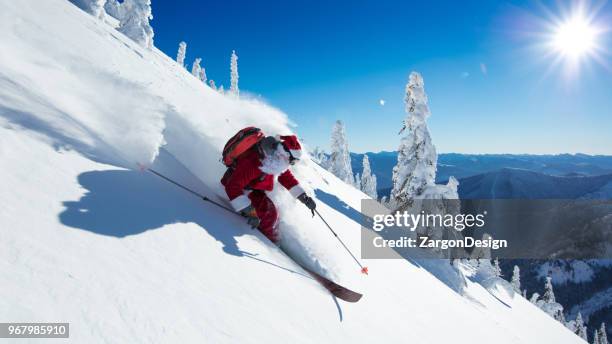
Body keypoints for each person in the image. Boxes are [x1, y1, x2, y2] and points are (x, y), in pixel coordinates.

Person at [221, 134, 316, 244]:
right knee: (269, 215)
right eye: (293, 161)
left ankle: (271, 237)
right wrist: (248, 210)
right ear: (285, 153)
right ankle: (268, 245)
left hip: (253, 190)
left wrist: (303, 197)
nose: (292, 164)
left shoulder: (276, 159)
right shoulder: (255, 161)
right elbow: (233, 186)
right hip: (239, 192)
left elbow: (286, 178)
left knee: (273, 212)